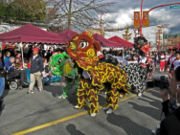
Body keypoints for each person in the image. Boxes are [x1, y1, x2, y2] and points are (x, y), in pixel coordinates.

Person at [159, 66, 180, 135]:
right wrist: (165, 100)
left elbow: (172, 122)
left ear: (178, 85)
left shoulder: (169, 124)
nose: (169, 81)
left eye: (172, 79)